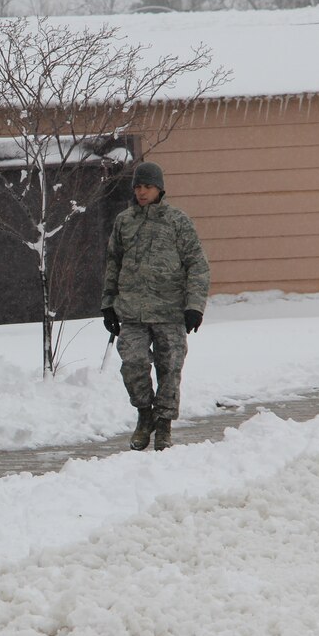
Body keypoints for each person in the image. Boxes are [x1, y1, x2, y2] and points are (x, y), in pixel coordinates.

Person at [100, 160, 210, 452]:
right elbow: (113, 263)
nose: (141, 192)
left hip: (169, 311)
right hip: (132, 311)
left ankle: (163, 425)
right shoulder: (124, 221)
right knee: (133, 363)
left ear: (159, 189)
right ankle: (144, 414)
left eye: (147, 186)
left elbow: (197, 265)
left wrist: (194, 306)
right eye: (138, 186)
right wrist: (108, 304)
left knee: (169, 368)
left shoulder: (177, 221)